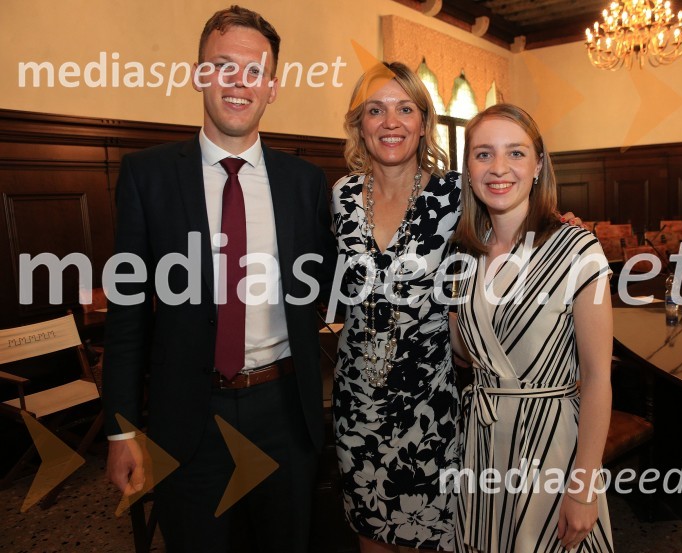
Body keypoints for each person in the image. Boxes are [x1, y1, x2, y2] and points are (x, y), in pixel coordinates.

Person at [103, 6, 336, 552]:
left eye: (255, 71)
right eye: (223, 66)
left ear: (273, 87)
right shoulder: (147, 176)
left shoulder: (305, 183)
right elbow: (127, 316)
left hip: (285, 413)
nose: (239, 83)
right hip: (188, 418)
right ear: (198, 74)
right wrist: (118, 428)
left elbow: (345, 271)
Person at [452, 104, 614, 552]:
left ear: (539, 164)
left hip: (551, 444)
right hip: (482, 443)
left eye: (516, 153)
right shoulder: (466, 255)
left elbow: (599, 378)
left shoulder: (578, 248)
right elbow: (469, 352)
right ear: (467, 168)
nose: (499, 168)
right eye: (483, 154)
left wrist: (583, 486)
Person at [330, 61, 460, 552]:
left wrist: (564, 225)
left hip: (427, 400)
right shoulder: (341, 196)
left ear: (424, 121)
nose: (391, 122)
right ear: (359, 124)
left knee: (428, 536)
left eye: (405, 109)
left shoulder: (454, 194)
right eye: (375, 110)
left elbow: (516, 234)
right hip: (356, 397)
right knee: (370, 534)